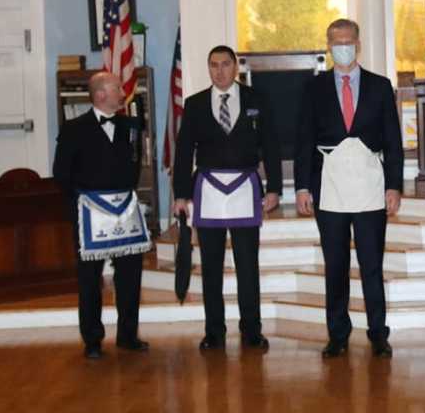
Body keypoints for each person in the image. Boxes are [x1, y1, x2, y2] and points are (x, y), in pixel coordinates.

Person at [294, 18, 403, 359]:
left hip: (370, 182)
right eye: (336, 42)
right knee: (336, 264)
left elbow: (393, 140)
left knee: (371, 264)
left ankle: (378, 333)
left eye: (348, 41)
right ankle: (338, 334)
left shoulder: (380, 86)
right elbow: (303, 139)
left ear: (358, 44)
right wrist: (301, 187)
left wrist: (394, 185)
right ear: (329, 46)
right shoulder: (313, 88)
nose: (343, 47)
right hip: (329, 185)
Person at [173, 45, 283, 352]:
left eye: (224, 64)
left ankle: (252, 330)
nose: (219, 71)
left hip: (245, 188)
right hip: (208, 190)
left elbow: (271, 145)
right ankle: (214, 332)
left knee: (247, 265)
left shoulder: (256, 99)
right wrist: (181, 194)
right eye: (213, 65)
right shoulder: (195, 104)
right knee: (211, 266)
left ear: (235, 67)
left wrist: (274, 187)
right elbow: (184, 151)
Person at [52, 72, 150, 360]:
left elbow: (134, 165)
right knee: (89, 279)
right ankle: (92, 340)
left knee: (130, 276)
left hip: (125, 210)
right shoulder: (73, 128)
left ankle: (128, 335)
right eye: (117, 88)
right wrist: (83, 203)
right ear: (100, 94)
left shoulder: (130, 126)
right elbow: (61, 173)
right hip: (90, 214)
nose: (122, 92)